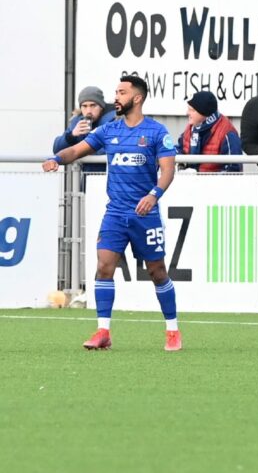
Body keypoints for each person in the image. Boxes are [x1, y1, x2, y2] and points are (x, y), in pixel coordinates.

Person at [42, 76, 180, 351]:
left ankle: (172, 330)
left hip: (145, 214)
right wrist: (57, 159)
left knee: (158, 272)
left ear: (137, 98)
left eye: (121, 92)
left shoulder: (156, 132)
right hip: (115, 213)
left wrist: (154, 195)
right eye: (116, 92)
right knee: (104, 267)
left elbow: (168, 170)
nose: (116, 97)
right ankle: (103, 331)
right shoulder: (109, 130)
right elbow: (75, 150)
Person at [52, 86, 117, 174]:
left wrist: (79, 152)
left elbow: (113, 148)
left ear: (101, 106)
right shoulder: (78, 120)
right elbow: (57, 149)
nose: (89, 110)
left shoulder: (116, 119)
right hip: (87, 177)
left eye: (93, 105)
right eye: (84, 106)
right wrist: (72, 136)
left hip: (111, 175)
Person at [176, 91, 242, 173]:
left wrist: (206, 180)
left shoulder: (227, 133)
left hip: (214, 185)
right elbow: (180, 149)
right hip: (190, 183)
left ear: (203, 113)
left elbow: (233, 169)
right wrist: (181, 164)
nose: (187, 113)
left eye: (191, 110)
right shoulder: (192, 128)